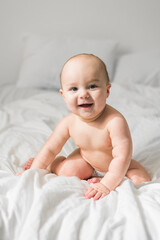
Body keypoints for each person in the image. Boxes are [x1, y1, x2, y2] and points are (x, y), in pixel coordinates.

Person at [16, 54, 151, 201]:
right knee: (67, 171)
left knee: (141, 180)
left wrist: (107, 184)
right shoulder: (68, 122)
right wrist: (35, 170)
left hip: (118, 164)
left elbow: (122, 157)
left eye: (92, 86)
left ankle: (103, 179)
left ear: (107, 90)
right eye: (74, 88)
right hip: (87, 160)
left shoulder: (115, 121)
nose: (83, 94)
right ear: (63, 95)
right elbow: (50, 149)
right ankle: (52, 165)